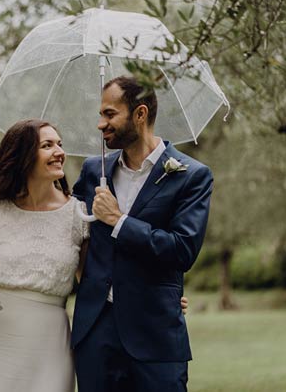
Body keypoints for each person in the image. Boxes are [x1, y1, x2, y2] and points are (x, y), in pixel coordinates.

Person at [0, 118, 189, 392]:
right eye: (47, 145)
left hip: (48, 341)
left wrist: (156, 296)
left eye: (59, 144)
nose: (59, 151)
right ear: (22, 155)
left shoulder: (79, 214)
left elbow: (100, 277)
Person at [71, 75, 213, 392]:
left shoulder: (192, 176)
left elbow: (182, 250)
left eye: (109, 114)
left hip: (156, 336)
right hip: (97, 332)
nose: (100, 124)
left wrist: (119, 221)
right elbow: (70, 232)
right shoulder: (94, 171)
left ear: (140, 114)